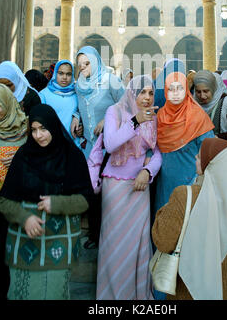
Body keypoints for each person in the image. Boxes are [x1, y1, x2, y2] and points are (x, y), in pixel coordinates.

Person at [0, 104, 94, 300]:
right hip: (25, 240)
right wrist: (24, 218)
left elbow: (86, 200)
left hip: (59, 243)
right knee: (22, 292)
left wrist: (58, 203)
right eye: (33, 130)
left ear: (53, 127)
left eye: (43, 129)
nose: (38, 135)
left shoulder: (72, 157)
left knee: (53, 292)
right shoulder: (23, 156)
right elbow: (5, 200)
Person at [152, 137, 227, 300]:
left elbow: (163, 241)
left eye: (200, 157)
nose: (195, 158)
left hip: (190, 290)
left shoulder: (184, 196)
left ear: (211, 164)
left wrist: (164, 210)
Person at [96, 75, 162, 300]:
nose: (146, 97)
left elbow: (158, 153)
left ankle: (137, 296)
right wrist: (135, 121)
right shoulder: (114, 112)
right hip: (115, 188)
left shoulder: (153, 117)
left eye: (150, 93)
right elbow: (111, 144)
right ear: (132, 92)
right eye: (141, 92)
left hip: (140, 189)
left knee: (138, 247)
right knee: (115, 246)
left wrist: (148, 171)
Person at [71, 46, 125, 248]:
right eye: (80, 65)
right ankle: (95, 235)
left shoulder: (110, 80)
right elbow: (79, 105)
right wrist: (77, 118)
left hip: (109, 147)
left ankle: (110, 236)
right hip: (89, 147)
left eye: (87, 64)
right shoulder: (79, 84)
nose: (83, 68)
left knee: (109, 193)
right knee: (92, 192)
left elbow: (126, 104)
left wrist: (107, 119)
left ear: (95, 62)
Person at [0, 83, 28, 300]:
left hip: (21, 200)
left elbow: (39, 157)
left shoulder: (26, 126)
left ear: (7, 103)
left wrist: (20, 160)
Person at [154, 70, 214, 215]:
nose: (175, 93)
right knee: (166, 221)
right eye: (171, 89)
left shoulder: (198, 116)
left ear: (186, 89)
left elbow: (209, 150)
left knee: (187, 219)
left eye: (180, 88)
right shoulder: (161, 116)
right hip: (165, 181)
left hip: (190, 179)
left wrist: (199, 178)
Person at [193, 70, 227, 145]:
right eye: (198, 92)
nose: (202, 96)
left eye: (206, 91)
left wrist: (219, 138)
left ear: (213, 89)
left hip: (223, 150)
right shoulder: (193, 103)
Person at [39, 60, 81, 147]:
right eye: (61, 73)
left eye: (68, 74)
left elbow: (83, 112)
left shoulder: (78, 94)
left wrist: (80, 123)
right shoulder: (44, 95)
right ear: (55, 74)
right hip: (52, 145)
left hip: (74, 145)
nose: (64, 77)